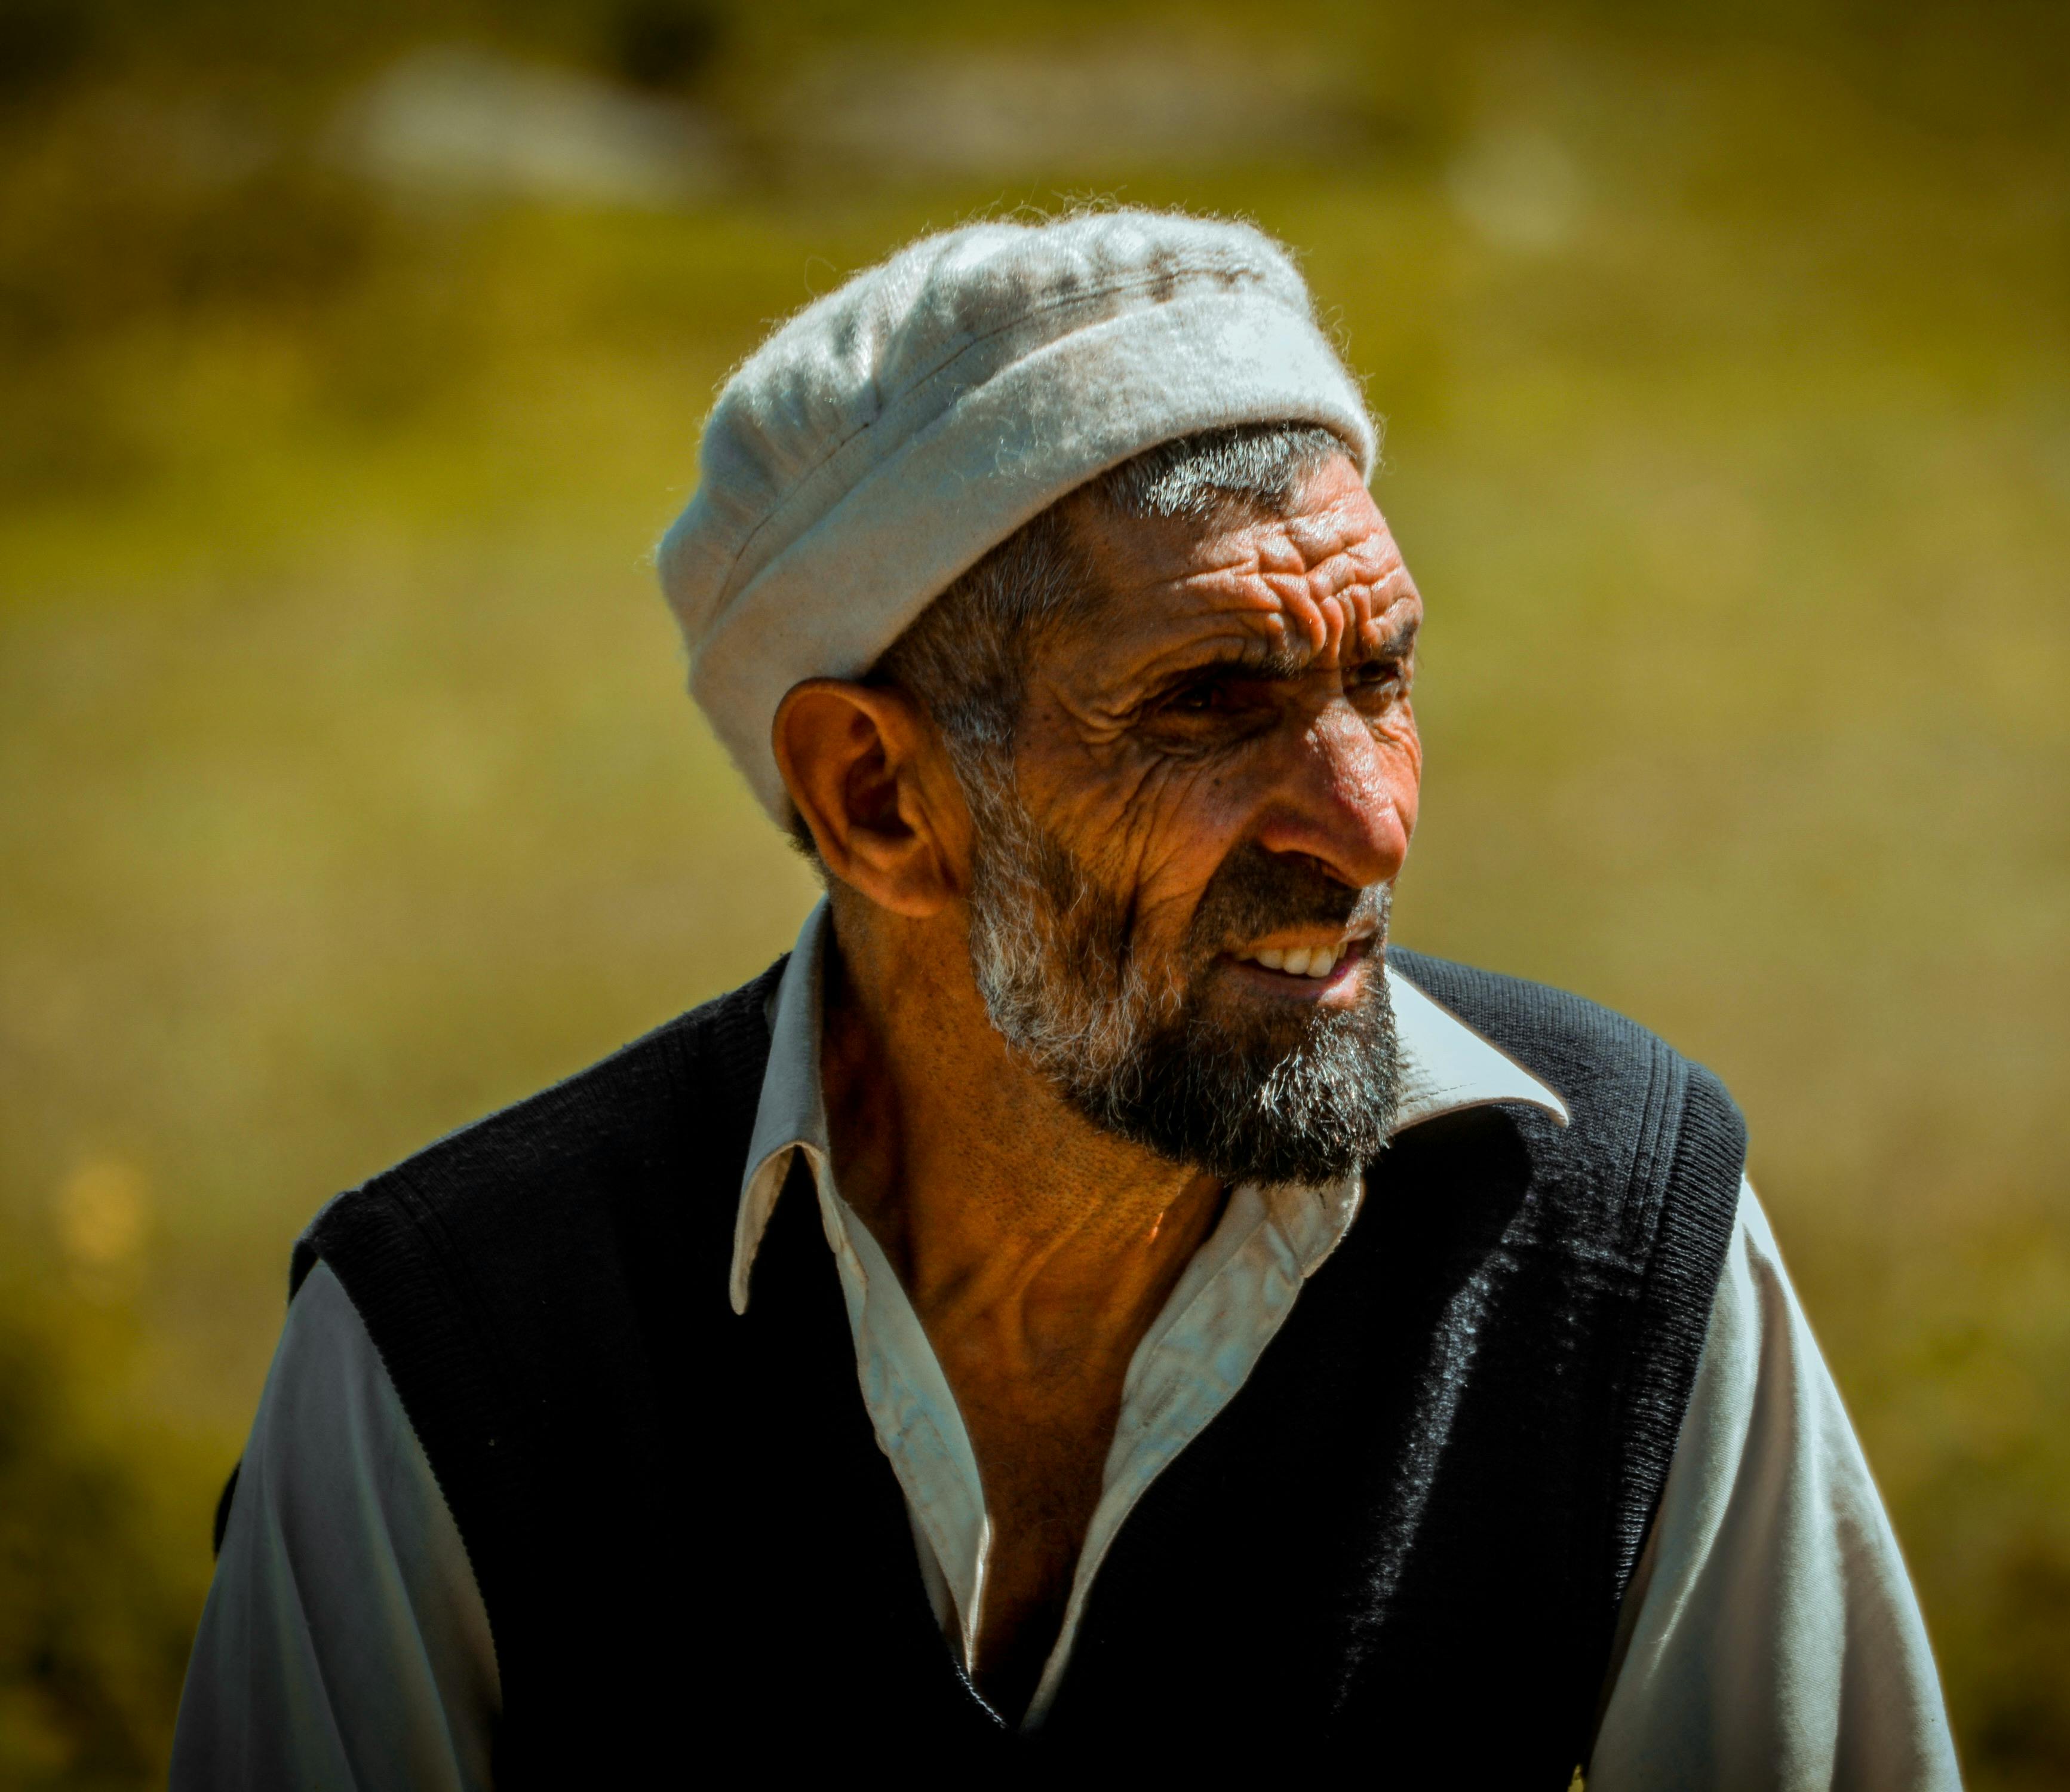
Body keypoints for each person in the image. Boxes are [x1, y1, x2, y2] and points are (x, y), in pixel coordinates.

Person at [172, 208, 1961, 1788]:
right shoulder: (458, 1347)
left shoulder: (1614, 1229)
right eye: (1203, 704)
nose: (1368, 823)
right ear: (877, 799)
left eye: (1382, 676)